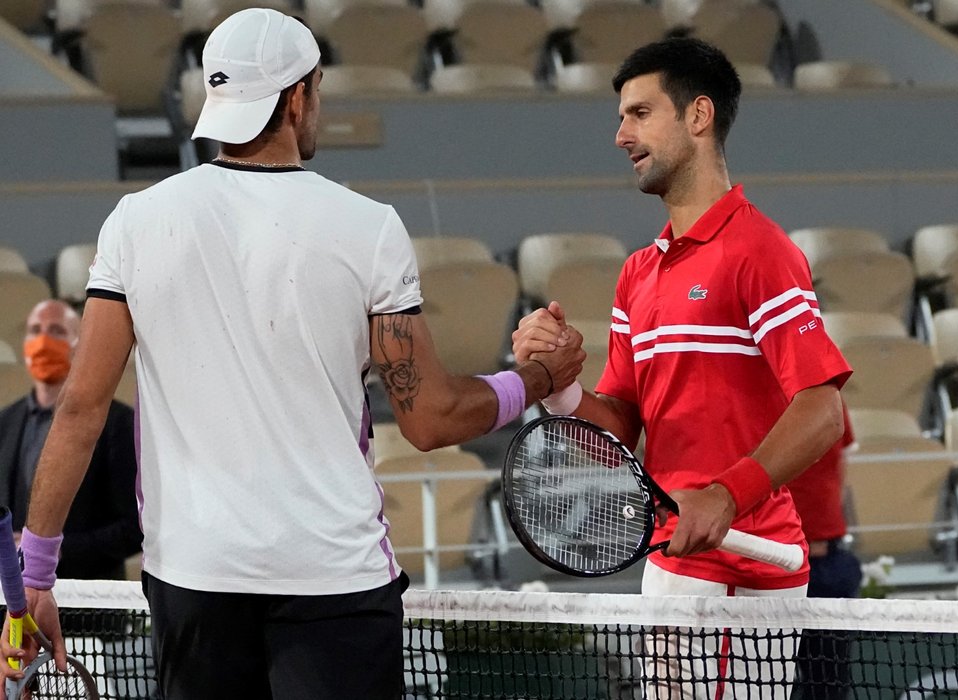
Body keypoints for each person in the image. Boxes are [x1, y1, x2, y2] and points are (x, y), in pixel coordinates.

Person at [0, 9, 584, 700]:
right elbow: (430, 419)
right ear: (299, 96)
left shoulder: (135, 220)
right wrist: (537, 379)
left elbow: (80, 410)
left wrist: (35, 577)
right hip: (333, 580)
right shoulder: (369, 228)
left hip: (195, 580)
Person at [512, 37, 851, 699]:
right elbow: (620, 432)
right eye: (620, 117)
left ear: (698, 117)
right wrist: (558, 387)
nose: (620, 135)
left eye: (639, 113)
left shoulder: (761, 251)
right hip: (677, 562)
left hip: (749, 569)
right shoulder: (637, 273)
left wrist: (726, 495)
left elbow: (822, 409)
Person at [0, 299, 140, 580]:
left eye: (56, 331)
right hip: (11, 593)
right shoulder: (6, 421)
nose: (42, 341)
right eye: (35, 330)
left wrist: (55, 549)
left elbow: (134, 526)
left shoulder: (116, 423)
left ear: (80, 344)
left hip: (89, 602)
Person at [787, 410, 862, 700]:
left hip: (827, 567)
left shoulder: (830, 399)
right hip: (767, 570)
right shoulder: (751, 398)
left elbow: (839, 463)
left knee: (829, 686)